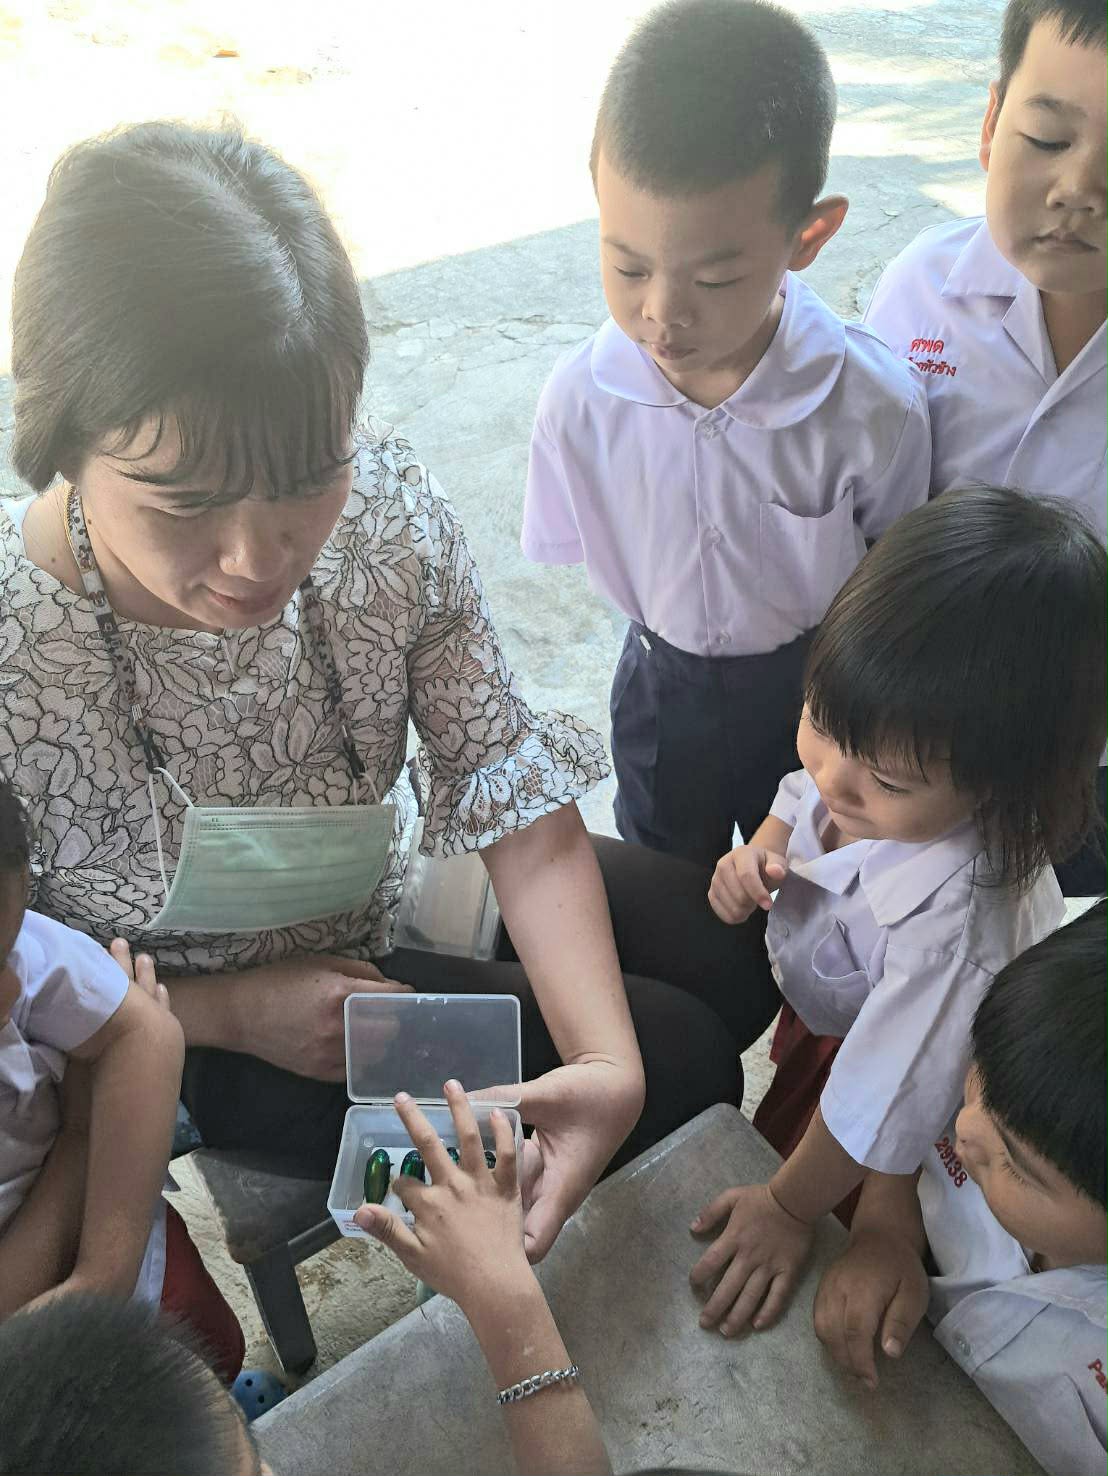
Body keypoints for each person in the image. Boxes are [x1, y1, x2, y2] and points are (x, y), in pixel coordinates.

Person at [0, 121, 780, 1265]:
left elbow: (503, 780)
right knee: (688, 1059)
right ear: (62, 439)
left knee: (730, 957)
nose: (256, 557)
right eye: (185, 504)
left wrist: (600, 1065)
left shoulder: (383, 521)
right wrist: (228, 1014)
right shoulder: (17, 653)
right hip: (186, 1030)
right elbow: (23, 988)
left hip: (388, 897)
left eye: (306, 479)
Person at [688, 487, 1108, 1337]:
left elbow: (882, 1098)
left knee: (810, 1148)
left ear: (1003, 786)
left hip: (898, 1047)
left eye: (884, 779)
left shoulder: (958, 934)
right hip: (845, 991)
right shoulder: (879, 760)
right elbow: (801, 793)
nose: (835, 778)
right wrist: (760, 851)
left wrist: (788, 1207)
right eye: (819, 719)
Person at [521, 0, 931, 869]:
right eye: (628, 265)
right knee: (665, 869)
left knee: (809, 873)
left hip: (815, 699)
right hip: (660, 688)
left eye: (714, 278)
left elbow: (893, 577)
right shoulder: (579, 403)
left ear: (808, 235)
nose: (662, 312)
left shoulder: (871, 407)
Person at [863, 0, 1108, 895]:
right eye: (1047, 138)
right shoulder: (920, 296)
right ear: (991, 122)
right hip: (917, 746)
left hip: (1086, 761)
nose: (1079, 189)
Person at [814, 899, 1108, 1476]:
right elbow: (908, 1147)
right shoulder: (1022, 1084)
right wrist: (884, 1232)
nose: (966, 1130)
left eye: (1016, 1166)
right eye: (975, 1079)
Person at [0, 775, 244, 1376]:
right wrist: (80, 1132)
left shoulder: (23, 950)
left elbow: (146, 1034)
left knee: (210, 1343)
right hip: (30, 1362)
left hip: (114, 1226)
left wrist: (102, 1280)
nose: (10, 991)